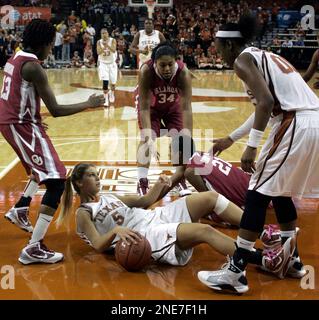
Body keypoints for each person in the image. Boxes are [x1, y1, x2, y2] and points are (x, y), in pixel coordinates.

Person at [197, 14, 319, 294]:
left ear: (229, 46)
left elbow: (265, 103)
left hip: (294, 124)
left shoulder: (243, 60)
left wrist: (251, 146)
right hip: (311, 121)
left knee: (257, 193)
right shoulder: (265, 57)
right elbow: (270, 102)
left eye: (217, 46)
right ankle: (292, 260)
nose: (217, 52)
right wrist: (231, 138)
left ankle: (236, 271)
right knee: (280, 189)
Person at [0, 19, 105, 265]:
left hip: (18, 123)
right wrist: (89, 104)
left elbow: (16, 95)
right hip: (20, 125)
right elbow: (56, 109)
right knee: (57, 181)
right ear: (46, 44)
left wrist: (31, 118)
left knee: (42, 170)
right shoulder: (33, 66)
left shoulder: (16, 57)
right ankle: (33, 247)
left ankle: (21, 208)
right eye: (51, 45)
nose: (51, 49)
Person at [57, 162, 281, 271]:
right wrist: (116, 231)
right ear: (78, 183)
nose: (97, 179)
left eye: (97, 175)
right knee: (204, 231)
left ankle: (264, 233)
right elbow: (97, 244)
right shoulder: (83, 213)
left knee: (209, 197)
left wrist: (162, 185)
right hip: (145, 235)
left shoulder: (110, 196)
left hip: (154, 216)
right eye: (91, 176)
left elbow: (145, 202)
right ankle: (264, 259)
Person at [135, 42, 193, 196]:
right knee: (146, 139)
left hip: (173, 106)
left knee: (180, 139)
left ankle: (178, 179)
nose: (167, 69)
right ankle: (142, 181)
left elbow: (186, 107)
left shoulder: (183, 72)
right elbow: (145, 107)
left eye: (170, 64)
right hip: (151, 108)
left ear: (176, 61)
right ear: (155, 63)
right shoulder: (146, 71)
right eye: (162, 65)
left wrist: (187, 137)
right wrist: (149, 138)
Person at [97, 29, 117, 108]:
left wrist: (107, 45)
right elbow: (98, 52)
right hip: (103, 64)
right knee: (105, 82)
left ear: (108, 34)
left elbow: (113, 50)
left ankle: (112, 93)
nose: (104, 35)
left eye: (105, 33)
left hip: (112, 64)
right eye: (102, 33)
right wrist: (104, 46)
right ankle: (106, 99)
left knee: (113, 83)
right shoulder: (99, 42)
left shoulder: (113, 40)